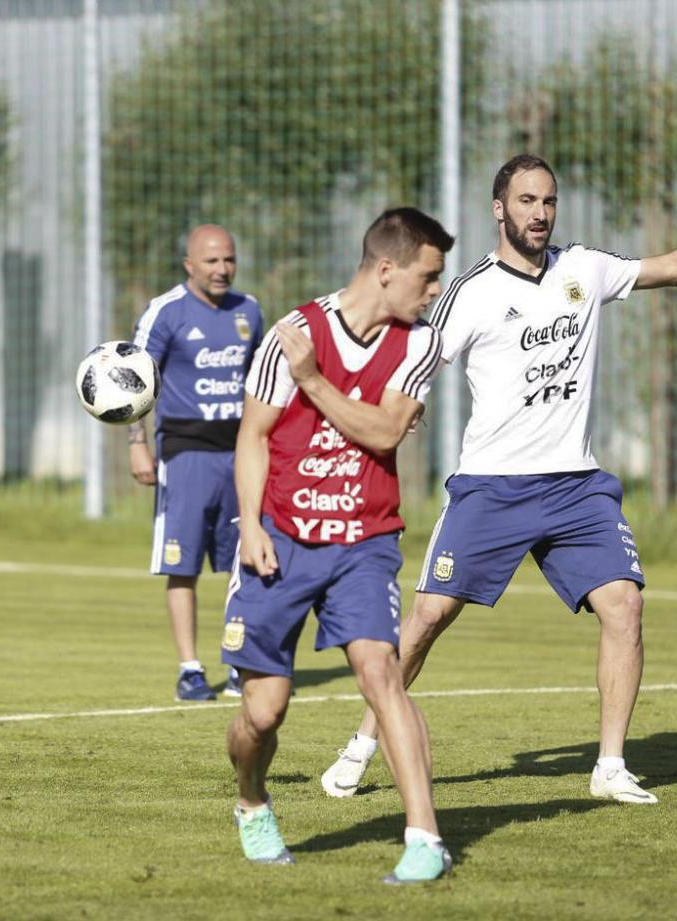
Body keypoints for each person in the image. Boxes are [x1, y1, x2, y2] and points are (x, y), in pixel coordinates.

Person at [321, 154, 677, 804]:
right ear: (499, 209)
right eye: (526, 201)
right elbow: (418, 357)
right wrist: (402, 405)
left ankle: (609, 766)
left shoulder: (584, 268)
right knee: (428, 616)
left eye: (548, 201)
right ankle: (363, 742)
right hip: (491, 486)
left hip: (576, 487)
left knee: (625, 605)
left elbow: (676, 265)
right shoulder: (472, 291)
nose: (540, 213)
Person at [222, 207, 453, 883]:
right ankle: (251, 799)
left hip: (365, 539)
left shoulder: (418, 344)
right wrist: (251, 524)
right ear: (387, 269)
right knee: (263, 714)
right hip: (282, 539)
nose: (436, 290)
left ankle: (424, 840)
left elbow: (383, 434)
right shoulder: (290, 334)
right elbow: (254, 436)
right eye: (429, 276)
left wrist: (314, 380)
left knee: (382, 672)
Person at [130, 224, 264, 702]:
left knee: (242, 564)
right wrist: (135, 442)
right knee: (181, 565)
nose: (222, 269)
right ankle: (190, 668)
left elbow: (261, 385)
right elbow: (133, 380)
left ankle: (236, 662)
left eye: (228, 259)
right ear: (190, 265)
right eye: (211, 261)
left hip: (240, 454)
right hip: (184, 452)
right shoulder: (165, 313)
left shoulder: (249, 311)